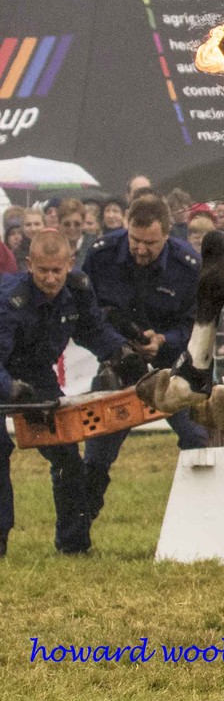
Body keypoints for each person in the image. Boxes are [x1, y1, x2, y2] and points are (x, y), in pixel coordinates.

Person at [0, 231, 136, 556]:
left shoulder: (78, 290)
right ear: (29, 264)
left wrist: (120, 352)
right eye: (42, 270)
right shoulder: (9, 300)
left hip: (36, 376)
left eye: (56, 271)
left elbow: (93, 331)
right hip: (4, 373)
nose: (50, 278)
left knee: (66, 454)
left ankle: (73, 545)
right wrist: (11, 391)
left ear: (69, 264)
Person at [81, 194, 209, 521]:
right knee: (96, 453)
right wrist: (119, 346)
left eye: (150, 244)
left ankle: (194, 519)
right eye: (134, 240)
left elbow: (198, 324)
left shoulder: (187, 265)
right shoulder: (101, 257)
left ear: (167, 234)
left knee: (198, 438)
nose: (140, 249)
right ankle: (75, 535)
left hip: (172, 367)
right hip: (120, 363)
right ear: (126, 226)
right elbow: (86, 315)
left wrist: (164, 340)